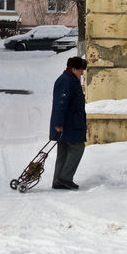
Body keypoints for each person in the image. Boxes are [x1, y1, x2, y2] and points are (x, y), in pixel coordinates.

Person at [49, 56, 88, 190]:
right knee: (78, 147)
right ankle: (65, 178)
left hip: (70, 123)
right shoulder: (66, 81)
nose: (82, 73)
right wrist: (58, 123)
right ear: (74, 69)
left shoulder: (70, 80)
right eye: (80, 70)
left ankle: (58, 180)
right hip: (69, 124)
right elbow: (60, 103)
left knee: (64, 150)